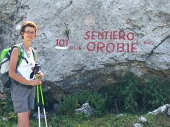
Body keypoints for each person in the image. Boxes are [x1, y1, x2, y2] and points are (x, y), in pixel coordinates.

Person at [9, 21, 43, 127]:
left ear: (35, 34)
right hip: (19, 88)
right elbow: (11, 73)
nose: (30, 34)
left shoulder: (33, 52)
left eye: (33, 32)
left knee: (23, 122)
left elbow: (30, 70)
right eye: (27, 31)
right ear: (22, 33)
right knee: (24, 124)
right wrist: (30, 82)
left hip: (30, 89)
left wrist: (38, 74)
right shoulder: (17, 50)